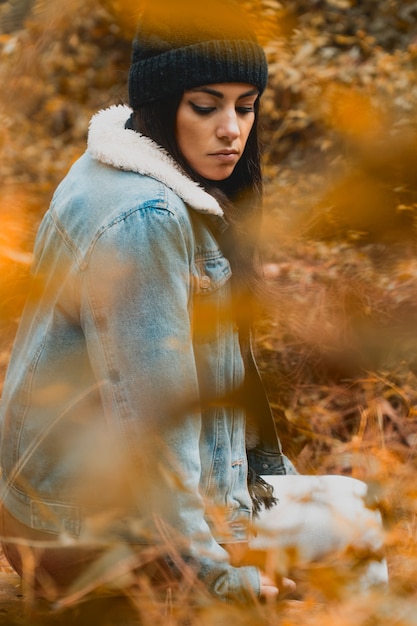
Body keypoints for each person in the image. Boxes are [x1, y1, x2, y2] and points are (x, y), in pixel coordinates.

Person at [0, 0, 387, 606]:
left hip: (55, 505)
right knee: (354, 540)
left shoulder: (120, 167)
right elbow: (157, 424)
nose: (231, 128)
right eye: (205, 106)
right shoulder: (145, 217)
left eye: (245, 106)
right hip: (85, 531)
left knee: (349, 511)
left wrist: (269, 490)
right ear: (162, 105)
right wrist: (215, 577)